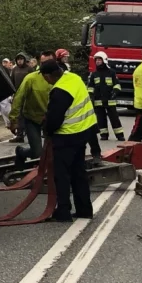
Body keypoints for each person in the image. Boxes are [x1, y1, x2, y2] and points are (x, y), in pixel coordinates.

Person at [39, 59, 96, 222]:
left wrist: (47, 130)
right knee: (79, 173)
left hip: (66, 137)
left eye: (44, 77)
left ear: (48, 76)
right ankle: (84, 209)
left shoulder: (60, 91)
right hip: (82, 133)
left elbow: (54, 120)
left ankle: (63, 211)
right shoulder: (74, 78)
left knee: (61, 176)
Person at [9, 51, 56, 169]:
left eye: (48, 63)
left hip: (51, 119)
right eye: (43, 63)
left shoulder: (62, 78)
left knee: (56, 149)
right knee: (37, 152)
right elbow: (18, 98)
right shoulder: (31, 79)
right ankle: (21, 152)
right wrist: (13, 119)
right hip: (32, 118)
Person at [87, 52, 125, 141]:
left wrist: (115, 92)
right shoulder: (94, 74)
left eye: (99, 60)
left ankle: (120, 135)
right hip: (98, 101)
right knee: (101, 119)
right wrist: (91, 96)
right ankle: (104, 135)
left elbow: (117, 85)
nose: (97, 62)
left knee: (114, 118)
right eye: (96, 60)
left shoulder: (111, 72)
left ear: (104, 60)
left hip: (110, 100)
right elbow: (90, 87)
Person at [9, 53, 33, 142]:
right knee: (19, 116)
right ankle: (20, 135)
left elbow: (34, 81)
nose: (19, 61)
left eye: (21, 59)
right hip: (18, 95)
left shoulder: (29, 69)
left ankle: (31, 133)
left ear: (24, 60)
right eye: (18, 59)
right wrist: (12, 94)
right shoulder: (14, 69)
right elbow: (11, 82)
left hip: (28, 95)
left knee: (29, 114)